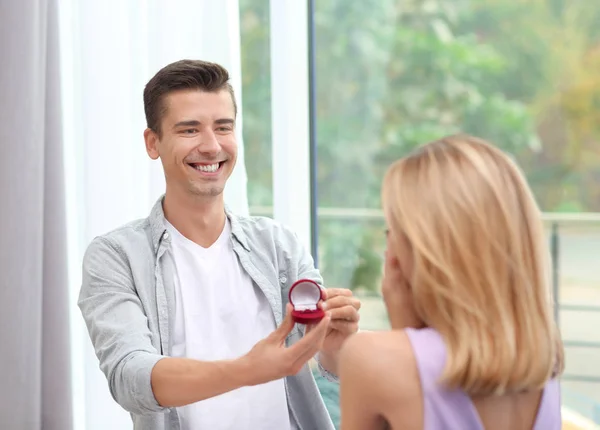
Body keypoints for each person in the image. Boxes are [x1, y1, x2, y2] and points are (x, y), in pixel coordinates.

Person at [78, 59, 361, 430]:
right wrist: (247, 370)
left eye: (223, 128)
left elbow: (331, 366)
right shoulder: (116, 257)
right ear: (153, 143)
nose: (211, 146)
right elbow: (131, 377)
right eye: (189, 130)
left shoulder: (278, 244)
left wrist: (337, 344)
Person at [338, 135, 563, 430]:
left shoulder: (372, 358)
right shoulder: (545, 356)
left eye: (390, 231)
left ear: (418, 248)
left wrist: (404, 331)